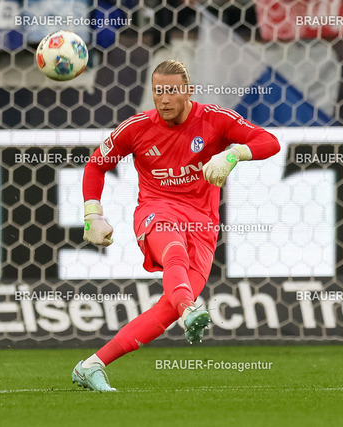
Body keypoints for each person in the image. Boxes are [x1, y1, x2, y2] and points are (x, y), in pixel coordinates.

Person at [72, 59, 280, 391]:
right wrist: (92, 215)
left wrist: (232, 155)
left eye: (171, 91)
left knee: (168, 307)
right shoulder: (137, 128)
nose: (164, 99)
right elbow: (96, 165)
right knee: (174, 252)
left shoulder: (214, 120)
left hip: (202, 225)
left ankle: (91, 365)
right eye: (158, 91)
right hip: (156, 211)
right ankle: (189, 308)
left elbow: (269, 141)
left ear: (188, 91)